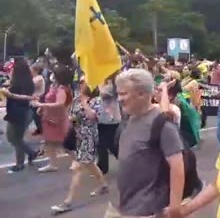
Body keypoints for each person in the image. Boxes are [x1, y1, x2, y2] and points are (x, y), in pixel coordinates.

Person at [104, 69, 185, 218]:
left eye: (124, 94)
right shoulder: (127, 120)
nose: (120, 99)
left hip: (145, 210)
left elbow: (177, 167)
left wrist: (175, 207)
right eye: (119, 94)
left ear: (142, 94)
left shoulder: (162, 124)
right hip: (118, 206)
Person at [51, 79, 108, 213]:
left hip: (89, 137)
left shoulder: (96, 101)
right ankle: (103, 185)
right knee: (90, 165)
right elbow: (71, 115)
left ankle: (68, 202)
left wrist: (84, 103)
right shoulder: (77, 98)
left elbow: (93, 116)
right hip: (79, 136)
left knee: (78, 168)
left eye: (83, 83)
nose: (80, 85)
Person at [33, 64, 73, 173]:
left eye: (54, 74)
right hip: (50, 118)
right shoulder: (55, 86)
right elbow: (49, 100)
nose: (52, 76)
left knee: (64, 143)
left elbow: (60, 104)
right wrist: (42, 107)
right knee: (49, 142)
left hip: (58, 119)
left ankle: (77, 161)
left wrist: (42, 105)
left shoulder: (63, 89)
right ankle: (53, 164)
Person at [2, 58, 37, 173]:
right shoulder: (27, 81)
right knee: (16, 138)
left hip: (18, 112)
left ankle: (26, 157)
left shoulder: (22, 82)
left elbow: (25, 97)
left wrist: (9, 94)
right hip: (20, 111)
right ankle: (25, 158)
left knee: (14, 138)